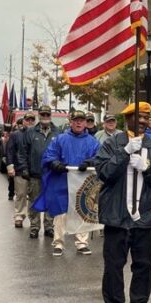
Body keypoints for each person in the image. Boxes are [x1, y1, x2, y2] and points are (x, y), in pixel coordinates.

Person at [95, 102, 151, 303]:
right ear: (127, 118)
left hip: (145, 218)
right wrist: (125, 152)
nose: (142, 121)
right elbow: (104, 174)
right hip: (117, 218)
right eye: (137, 116)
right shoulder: (112, 143)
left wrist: (148, 168)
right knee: (113, 267)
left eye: (146, 117)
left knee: (143, 266)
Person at [34, 110, 100, 257]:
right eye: (75, 120)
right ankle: (58, 242)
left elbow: (100, 157)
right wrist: (55, 163)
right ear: (70, 122)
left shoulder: (92, 142)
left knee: (82, 212)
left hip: (83, 183)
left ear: (85, 123)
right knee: (60, 213)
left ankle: (82, 243)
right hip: (62, 181)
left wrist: (90, 162)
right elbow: (49, 155)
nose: (78, 123)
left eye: (81, 120)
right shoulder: (60, 139)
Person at [18, 105, 59, 239]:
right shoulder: (30, 132)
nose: (45, 117)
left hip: (52, 174)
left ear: (50, 116)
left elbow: (61, 152)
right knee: (34, 200)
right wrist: (24, 168)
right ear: (39, 116)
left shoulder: (57, 132)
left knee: (50, 200)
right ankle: (35, 226)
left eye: (47, 115)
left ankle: (49, 226)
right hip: (35, 173)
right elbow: (23, 152)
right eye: (43, 115)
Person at [7, 113, 35, 228]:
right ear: (23, 121)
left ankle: (34, 219)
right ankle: (19, 216)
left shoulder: (37, 134)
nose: (29, 122)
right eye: (27, 119)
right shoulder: (15, 135)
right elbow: (10, 151)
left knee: (34, 196)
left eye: (32, 120)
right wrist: (10, 167)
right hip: (19, 169)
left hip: (34, 170)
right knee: (21, 194)